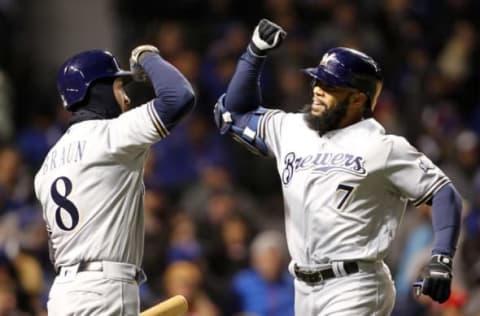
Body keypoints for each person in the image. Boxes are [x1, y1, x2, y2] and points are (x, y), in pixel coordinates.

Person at [213, 18, 463, 315]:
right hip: (303, 286)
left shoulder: (383, 147)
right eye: (317, 81)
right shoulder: (293, 128)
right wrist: (254, 52)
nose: (317, 90)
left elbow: (445, 192)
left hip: (355, 285)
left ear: (358, 98)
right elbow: (234, 111)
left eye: (330, 86)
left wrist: (442, 259)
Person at [33, 45, 195, 315]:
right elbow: (179, 97)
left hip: (63, 293)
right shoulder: (112, 136)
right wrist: (147, 56)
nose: (127, 99)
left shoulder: (47, 165)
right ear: (98, 90)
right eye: (120, 87)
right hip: (105, 289)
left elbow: (55, 251)